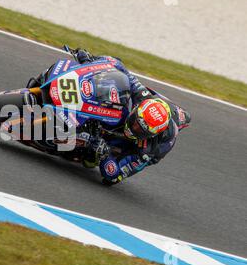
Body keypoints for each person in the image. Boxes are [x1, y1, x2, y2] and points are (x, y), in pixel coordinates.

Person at [28, 48, 191, 185]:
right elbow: (120, 68)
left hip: (132, 148)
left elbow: (113, 174)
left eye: (139, 129)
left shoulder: (148, 150)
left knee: (95, 159)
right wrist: (93, 61)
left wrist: (105, 155)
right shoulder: (144, 97)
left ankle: (82, 144)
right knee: (108, 90)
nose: (134, 127)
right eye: (135, 122)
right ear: (139, 109)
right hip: (158, 109)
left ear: (150, 134)